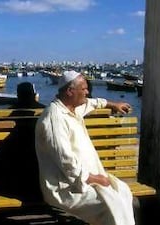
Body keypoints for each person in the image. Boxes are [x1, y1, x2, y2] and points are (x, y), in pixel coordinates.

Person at [34, 70, 135, 225]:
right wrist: (93, 178)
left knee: (123, 193)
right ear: (70, 91)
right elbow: (66, 162)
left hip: (83, 180)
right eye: (84, 89)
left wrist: (113, 104)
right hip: (66, 188)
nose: (87, 92)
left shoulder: (72, 108)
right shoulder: (54, 119)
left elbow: (91, 103)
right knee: (110, 205)